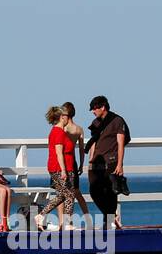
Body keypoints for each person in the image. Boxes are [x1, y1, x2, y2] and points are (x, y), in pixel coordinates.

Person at [86, 95, 129, 229]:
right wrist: (90, 159)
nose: (93, 111)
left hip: (111, 161)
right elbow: (93, 142)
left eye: (95, 108)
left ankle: (109, 221)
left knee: (110, 192)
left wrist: (120, 164)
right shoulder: (96, 123)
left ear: (102, 107)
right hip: (96, 162)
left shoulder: (117, 121)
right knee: (94, 191)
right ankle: (111, 217)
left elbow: (120, 143)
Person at [38, 106, 77, 230]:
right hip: (59, 168)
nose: (67, 118)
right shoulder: (59, 132)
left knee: (63, 195)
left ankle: (42, 216)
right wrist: (64, 170)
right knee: (69, 195)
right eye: (65, 116)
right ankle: (62, 222)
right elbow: (59, 152)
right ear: (61, 117)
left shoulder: (56, 131)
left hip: (57, 167)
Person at [60, 101, 92, 219]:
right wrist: (81, 164)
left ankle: (63, 221)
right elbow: (81, 149)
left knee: (62, 193)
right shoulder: (79, 129)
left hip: (63, 161)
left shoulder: (62, 129)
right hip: (73, 161)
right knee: (76, 192)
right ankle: (87, 217)